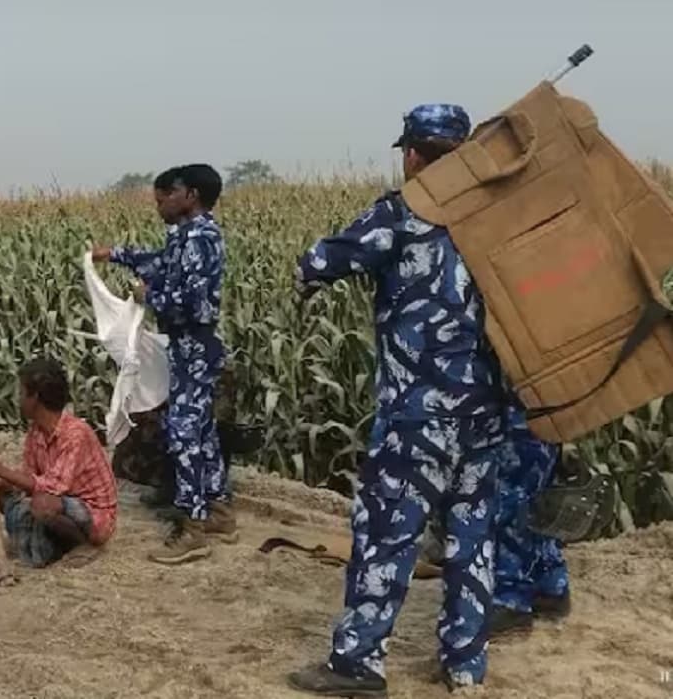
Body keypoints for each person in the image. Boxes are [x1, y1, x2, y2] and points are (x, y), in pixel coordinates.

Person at [286, 105, 509, 696]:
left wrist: (309, 278)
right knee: (472, 537)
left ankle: (358, 663)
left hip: (418, 415)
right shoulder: (496, 217)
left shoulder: (401, 213)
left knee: (388, 533)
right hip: (485, 411)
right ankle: (465, 664)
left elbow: (318, 261)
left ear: (412, 154)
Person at [92, 164, 236, 565]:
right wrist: (116, 255)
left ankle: (193, 525)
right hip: (188, 349)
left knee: (184, 432)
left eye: (165, 196)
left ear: (190, 195)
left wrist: (147, 297)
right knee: (202, 429)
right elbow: (160, 263)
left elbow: (195, 303)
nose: (159, 203)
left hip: (195, 344)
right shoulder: (186, 237)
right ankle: (219, 508)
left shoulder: (200, 239)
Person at [0, 357, 118, 567]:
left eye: (22, 393)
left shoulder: (76, 434)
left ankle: (83, 544)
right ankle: (53, 542)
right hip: (60, 504)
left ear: (35, 398)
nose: (18, 399)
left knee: (42, 504)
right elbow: (29, 476)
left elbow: (54, 487)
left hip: (93, 513)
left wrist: (0, 470)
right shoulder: (36, 432)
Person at [491, 405, 571, 635]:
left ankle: (510, 600)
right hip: (549, 404)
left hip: (521, 409)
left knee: (510, 498)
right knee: (539, 494)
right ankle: (549, 585)